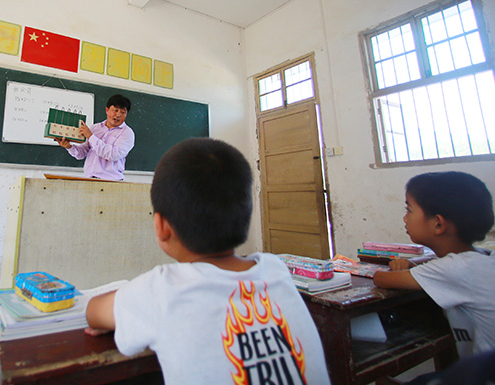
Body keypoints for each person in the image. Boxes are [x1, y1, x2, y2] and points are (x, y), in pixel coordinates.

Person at [84, 138, 331, 385]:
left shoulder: (162, 290)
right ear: (245, 215)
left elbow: (93, 311)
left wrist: (128, 302)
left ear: (161, 227)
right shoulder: (276, 270)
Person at [373, 171, 495, 379]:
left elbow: (381, 278)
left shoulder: (455, 268)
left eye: (409, 210)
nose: (405, 218)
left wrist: (402, 268)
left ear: (438, 224)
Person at [55, 94, 135, 181]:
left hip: (111, 182)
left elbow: (112, 155)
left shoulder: (127, 133)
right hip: (88, 179)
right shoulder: (95, 128)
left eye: (123, 112)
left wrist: (90, 136)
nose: (118, 115)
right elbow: (82, 153)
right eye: (115, 110)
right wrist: (69, 147)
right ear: (107, 110)